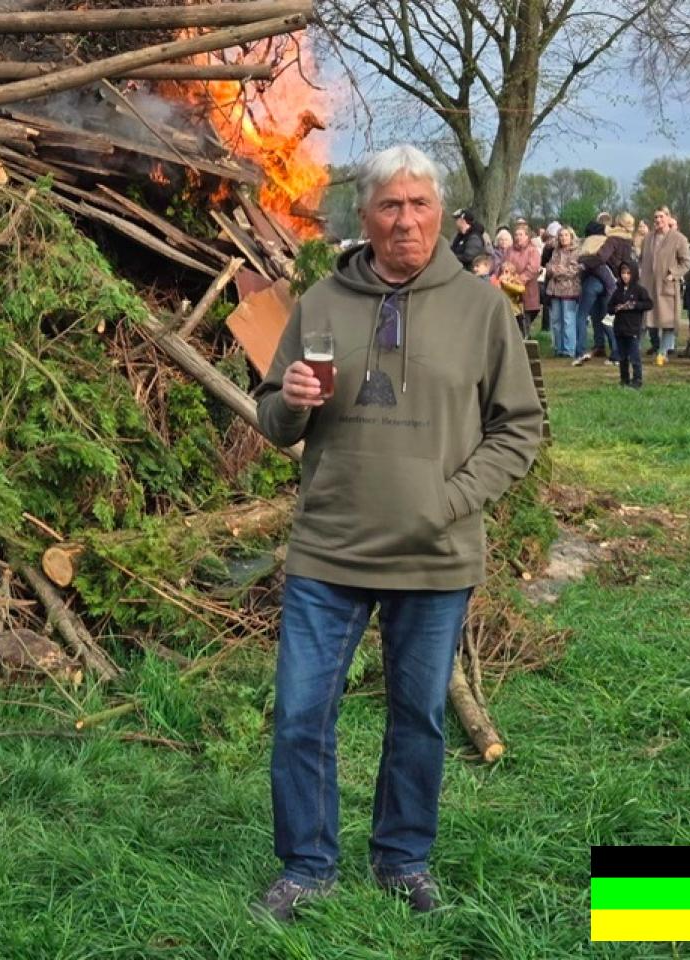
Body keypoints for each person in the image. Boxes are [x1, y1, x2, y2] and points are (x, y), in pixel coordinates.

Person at [253, 144, 543, 922]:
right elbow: (273, 419)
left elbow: (518, 428)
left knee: (416, 717)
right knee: (300, 715)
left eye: (419, 204)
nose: (405, 220)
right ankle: (307, 866)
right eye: (390, 205)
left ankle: (402, 860)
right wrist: (293, 401)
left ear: (440, 213)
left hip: (434, 554)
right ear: (366, 216)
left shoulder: (481, 308)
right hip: (329, 549)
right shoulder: (321, 302)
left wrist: (450, 501)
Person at [638, 206, 690, 366]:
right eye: (655, 217)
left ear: (668, 218)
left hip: (667, 286)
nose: (658, 220)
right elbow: (641, 259)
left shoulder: (679, 239)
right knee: (645, 318)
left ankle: (663, 352)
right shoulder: (648, 238)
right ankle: (634, 350)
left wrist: (673, 274)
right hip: (647, 285)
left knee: (668, 321)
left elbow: (686, 263)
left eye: (661, 216)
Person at [572, 221, 616, 365]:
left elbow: (582, 265)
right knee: (606, 318)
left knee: (581, 315)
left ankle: (580, 351)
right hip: (607, 285)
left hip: (591, 284)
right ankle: (616, 350)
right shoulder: (608, 242)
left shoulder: (586, 244)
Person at [607, 261, 653, 388]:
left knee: (634, 356)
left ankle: (637, 380)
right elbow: (609, 308)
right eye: (623, 273)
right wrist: (616, 308)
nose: (625, 276)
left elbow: (649, 304)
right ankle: (624, 379)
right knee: (622, 357)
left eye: (628, 273)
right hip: (619, 329)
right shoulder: (618, 291)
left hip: (633, 328)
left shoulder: (639, 290)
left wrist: (635, 305)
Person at [544, 226, 581, 358]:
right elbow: (548, 267)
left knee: (568, 320)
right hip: (554, 289)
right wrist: (554, 269)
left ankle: (569, 349)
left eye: (566, 235)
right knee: (556, 321)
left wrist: (558, 270)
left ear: (571, 236)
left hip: (569, 289)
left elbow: (574, 270)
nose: (563, 238)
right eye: (561, 235)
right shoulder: (555, 251)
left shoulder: (576, 251)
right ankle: (558, 348)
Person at [505, 224, 541, 336]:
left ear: (527, 236)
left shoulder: (532, 250)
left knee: (526, 316)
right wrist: (509, 278)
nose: (518, 237)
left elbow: (533, 268)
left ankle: (525, 338)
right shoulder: (510, 250)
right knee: (513, 318)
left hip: (528, 288)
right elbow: (505, 265)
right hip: (511, 289)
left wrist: (519, 279)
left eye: (521, 234)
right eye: (516, 235)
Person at [497, 260, 527, 333]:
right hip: (504, 310)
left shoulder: (515, 281)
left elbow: (521, 289)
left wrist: (507, 284)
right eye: (502, 271)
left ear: (512, 272)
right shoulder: (499, 282)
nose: (504, 274)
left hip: (515, 311)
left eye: (506, 271)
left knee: (517, 331)